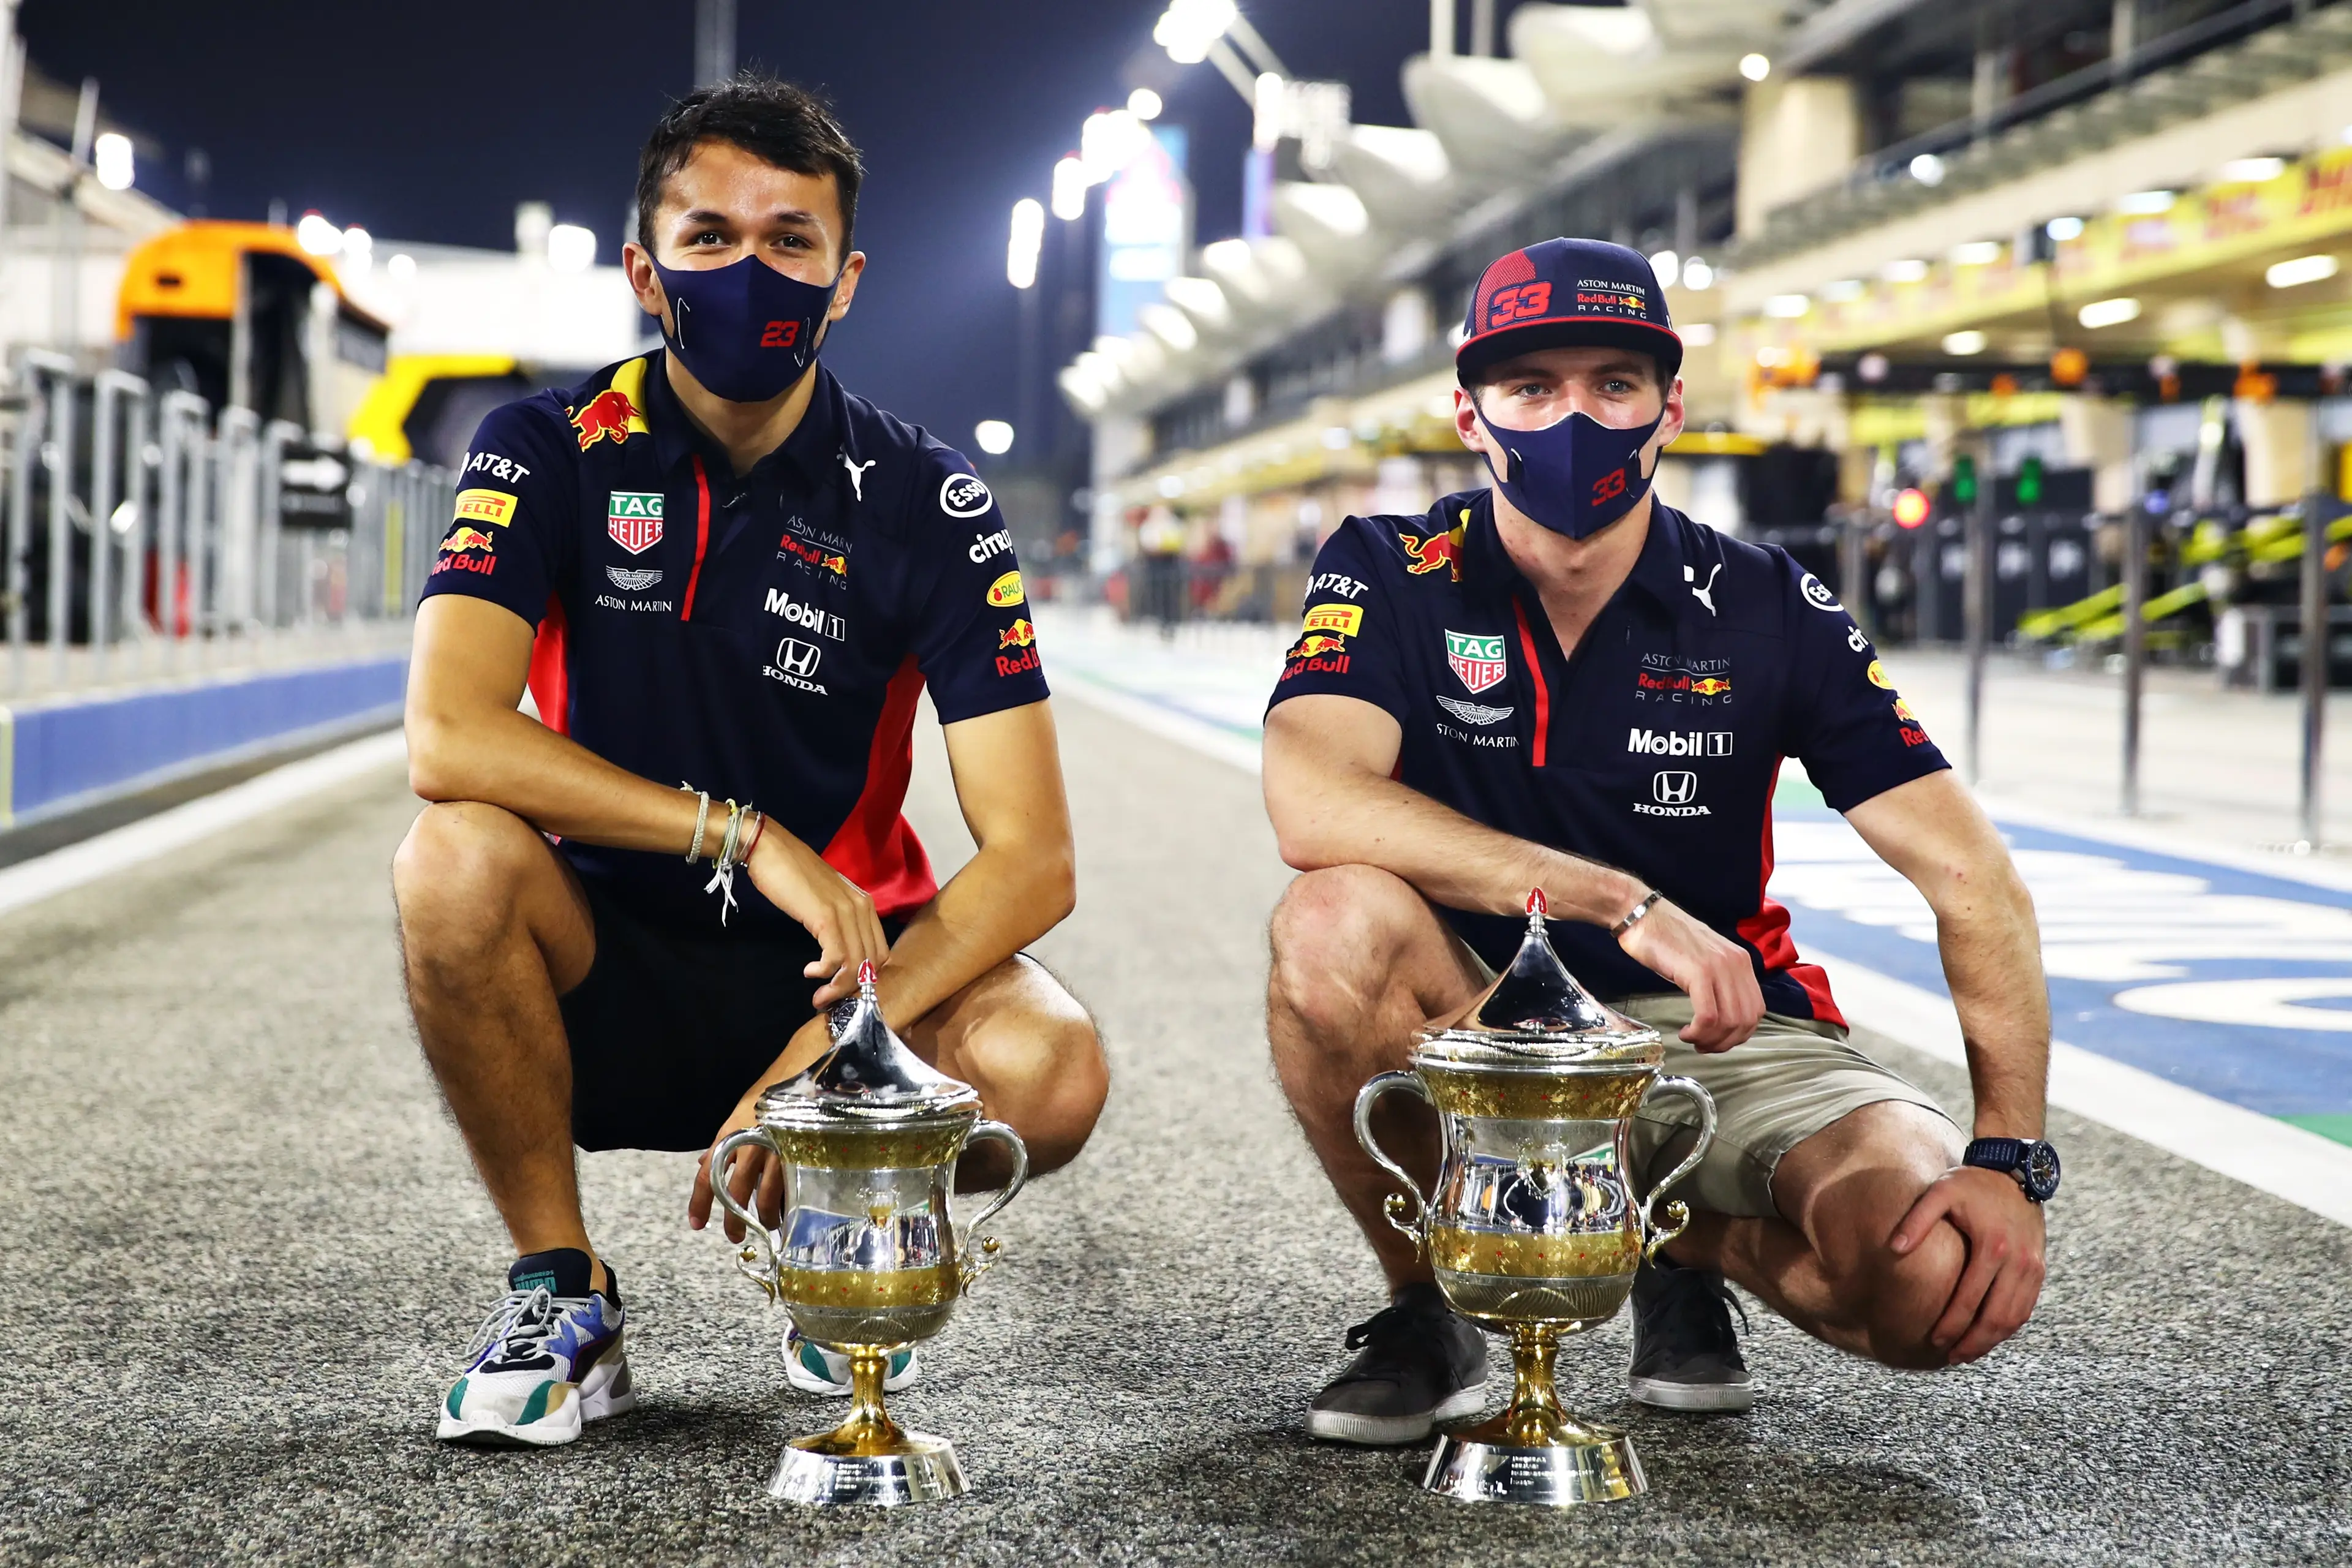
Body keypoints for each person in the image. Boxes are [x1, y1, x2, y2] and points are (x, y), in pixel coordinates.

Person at [394, 75, 1107, 1448]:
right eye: (709, 236)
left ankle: (841, 1225)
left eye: (790, 240)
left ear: (844, 284)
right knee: (452, 859)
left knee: (1055, 1063)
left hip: (842, 976)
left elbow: (1035, 853)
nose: (749, 268)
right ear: (645, 272)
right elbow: (449, 735)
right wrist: (747, 834)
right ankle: (562, 1286)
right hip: (604, 948)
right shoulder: (548, 448)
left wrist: (822, 1058)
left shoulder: (929, 499)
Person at [1261, 238, 2057, 1445]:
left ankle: (1664, 1233)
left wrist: (2009, 1152)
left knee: (1927, 1272)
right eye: (1532, 388)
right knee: (1328, 922)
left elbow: (1969, 869)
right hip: (1479, 1019)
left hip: (1719, 1028)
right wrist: (1615, 900)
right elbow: (1312, 799)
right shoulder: (1390, 566)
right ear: (1469, 415)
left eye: (1612, 383)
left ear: (1670, 407)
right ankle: (1429, 1300)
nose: (1573, 417)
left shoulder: (1768, 601)